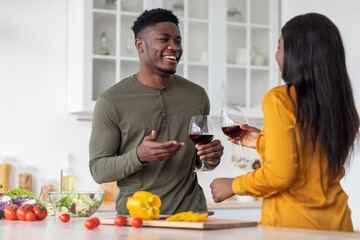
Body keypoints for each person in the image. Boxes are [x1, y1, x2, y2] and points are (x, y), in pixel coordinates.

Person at [210, 13, 359, 231]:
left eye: (279, 47)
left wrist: (233, 186)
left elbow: (280, 175)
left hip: (293, 228)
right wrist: (261, 140)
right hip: (338, 226)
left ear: (297, 53)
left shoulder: (280, 99)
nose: (276, 56)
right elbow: (309, 160)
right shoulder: (342, 106)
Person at [89, 8, 224, 215]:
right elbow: (98, 170)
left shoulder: (197, 96)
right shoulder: (111, 101)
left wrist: (211, 158)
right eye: (164, 39)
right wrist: (138, 156)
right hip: (137, 219)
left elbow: (199, 161)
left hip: (192, 217)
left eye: (178, 42)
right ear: (139, 45)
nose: (174, 47)